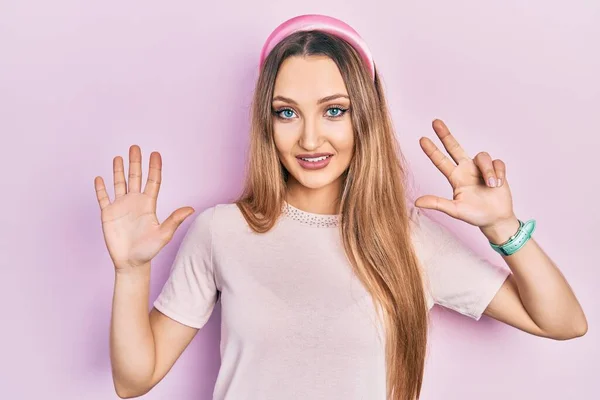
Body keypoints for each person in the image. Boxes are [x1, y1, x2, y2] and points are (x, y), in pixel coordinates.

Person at [94, 14, 587, 400]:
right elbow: (134, 380)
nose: (310, 137)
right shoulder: (220, 232)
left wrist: (503, 227)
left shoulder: (407, 241)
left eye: (334, 110)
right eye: (287, 113)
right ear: (267, 123)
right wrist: (132, 272)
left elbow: (563, 322)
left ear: (364, 116)